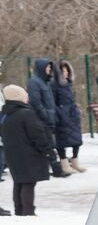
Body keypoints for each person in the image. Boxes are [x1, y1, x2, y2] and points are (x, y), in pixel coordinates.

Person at [0, 85, 56, 215]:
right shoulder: (26, 114)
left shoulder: (4, 115)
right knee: (29, 183)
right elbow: (37, 135)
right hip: (29, 154)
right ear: (19, 97)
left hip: (12, 153)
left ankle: (19, 210)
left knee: (19, 181)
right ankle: (28, 211)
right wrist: (47, 150)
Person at [25, 59, 66, 179]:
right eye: (47, 67)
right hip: (41, 120)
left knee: (49, 144)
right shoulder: (34, 82)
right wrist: (45, 115)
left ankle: (52, 168)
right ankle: (56, 169)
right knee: (47, 144)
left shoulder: (45, 82)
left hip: (49, 119)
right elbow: (36, 102)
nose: (49, 70)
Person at [53, 60, 86, 174]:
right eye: (63, 71)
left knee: (77, 139)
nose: (66, 73)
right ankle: (64, 164)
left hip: (72, 114)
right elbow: (53, 101)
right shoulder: (54, 85)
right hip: (62, 116)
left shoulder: (68, 84)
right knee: (61, 140)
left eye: (67, 71)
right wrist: (60, 112)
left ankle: (75, 161)